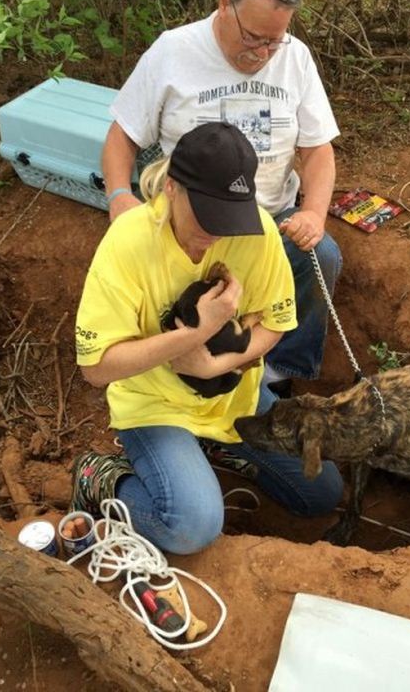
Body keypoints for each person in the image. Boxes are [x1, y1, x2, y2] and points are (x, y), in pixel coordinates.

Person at [72, 122, 343, 555]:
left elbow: (276, 321)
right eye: (206, 215)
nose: (215, 233)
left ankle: (215, 448)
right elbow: (96, 367)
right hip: (154, 403)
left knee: (320, 493)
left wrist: (213, 366)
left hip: (232, 396)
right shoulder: (129, 242)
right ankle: (103, 478)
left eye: (227, 218)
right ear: (173, 188)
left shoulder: (257, 232)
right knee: (191, 528)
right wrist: (196, 333)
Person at [102, 0, 342, 396]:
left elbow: (318, 151)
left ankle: (278, 375)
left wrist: (313, 213)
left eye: (275, 40)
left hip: (270, 219)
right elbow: (122, 136)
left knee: (323, 255)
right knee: (185, 316)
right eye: (253, 37)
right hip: (189, 222)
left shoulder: (295, 58)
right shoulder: (174, 52)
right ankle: (188, 376)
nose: (263, 53)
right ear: (224, 2)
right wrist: (119, 197)